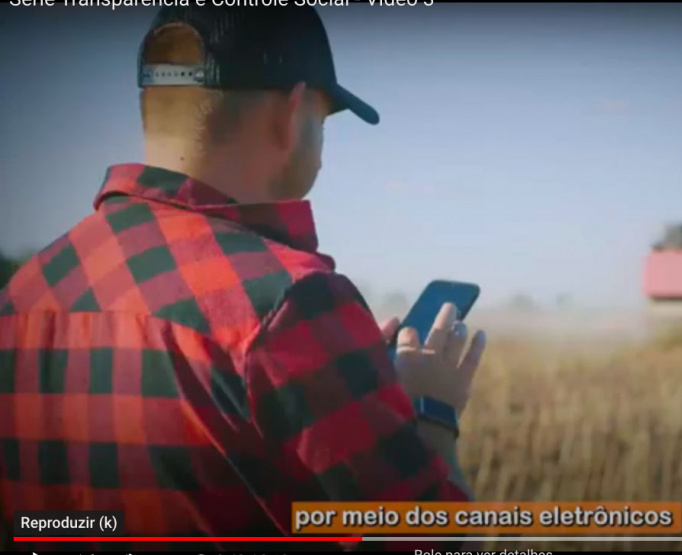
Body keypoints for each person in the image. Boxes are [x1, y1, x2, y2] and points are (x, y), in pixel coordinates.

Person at [0, 6, 486, 552]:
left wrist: (348, 383)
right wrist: (432, 412)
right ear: (293, 110)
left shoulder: (22, 298)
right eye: (322, 123)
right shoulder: (291, 300)